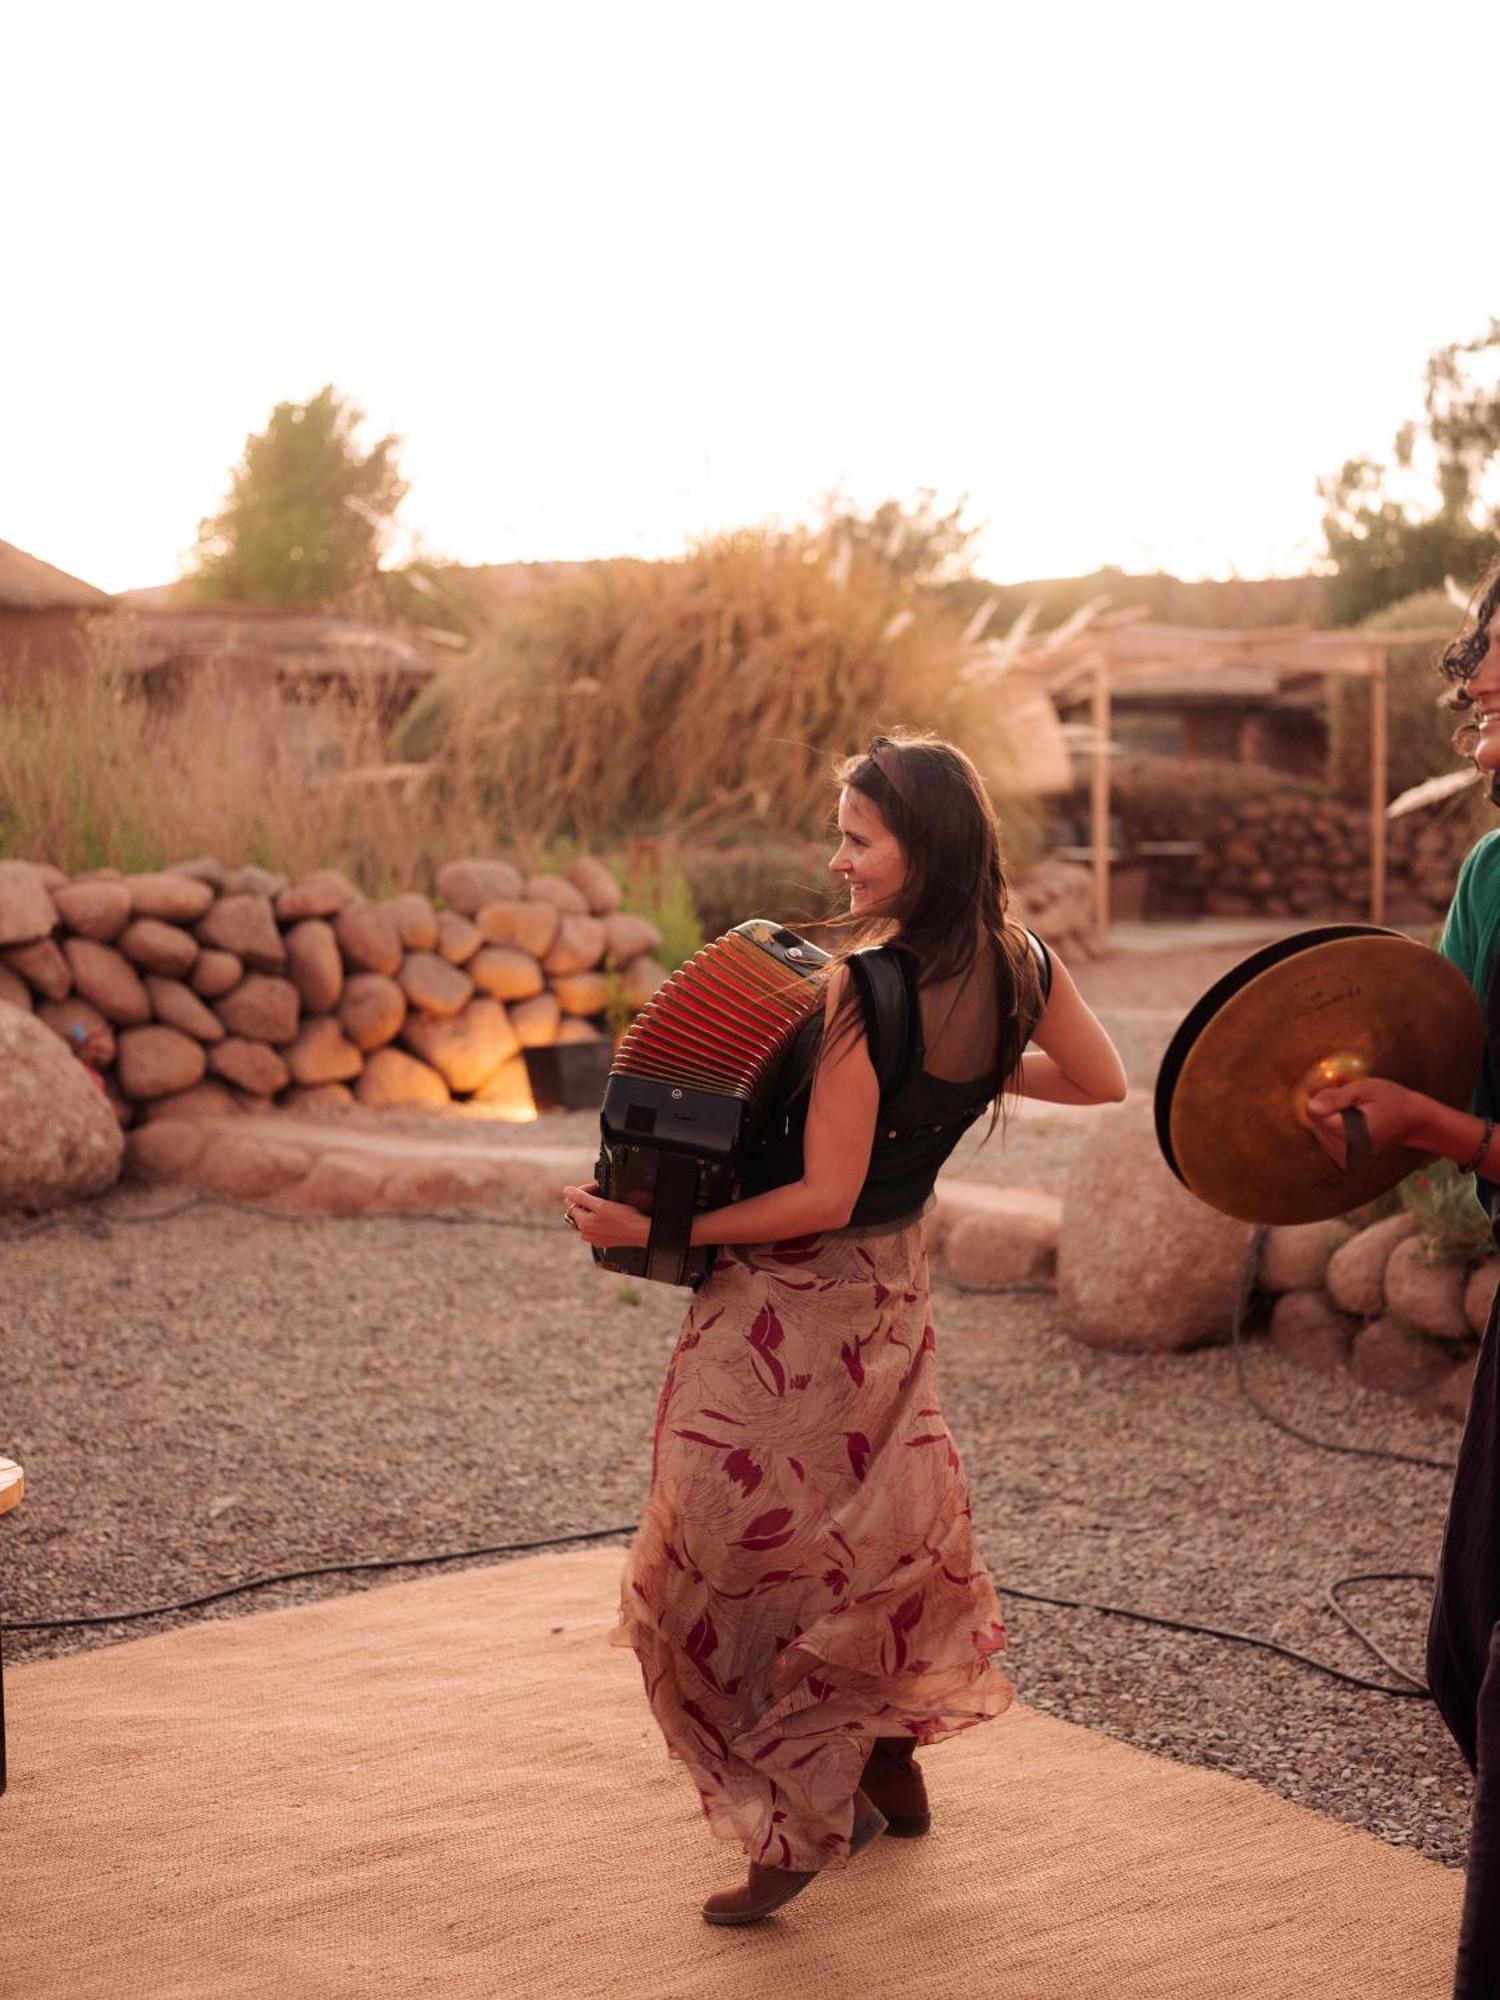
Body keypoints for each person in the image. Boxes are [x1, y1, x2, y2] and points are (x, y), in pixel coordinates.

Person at [564, 732, 1128, 1926]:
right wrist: (963, 1073)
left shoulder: (863, 992)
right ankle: (885, 1760)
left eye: (858, 839)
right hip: (894, 1288)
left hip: (794, 1300)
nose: (838, 860)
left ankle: (795, 1808)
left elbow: (818, 1197)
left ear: (919, 848)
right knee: (870, 1519)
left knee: (725, 1544)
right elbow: (1097, 1079)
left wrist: (648, 1218)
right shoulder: (1023, 960)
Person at [1303, 559, 1500, 2000]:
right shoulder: (1493, 873)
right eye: (1482, 677)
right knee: (1461, 1647)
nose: (1484, 694)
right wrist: (1341, 1109)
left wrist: (1441, 1130)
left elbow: (1457, 1119)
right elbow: (1439, 1065)